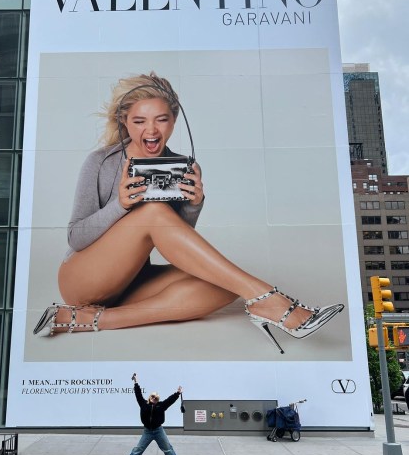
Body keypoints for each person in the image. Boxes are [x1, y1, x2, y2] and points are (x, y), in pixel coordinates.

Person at [33, 71, 344, 354]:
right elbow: (75, 236)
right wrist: (121, 205)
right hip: (82, 278)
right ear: (124, 121)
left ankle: (92, 320)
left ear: (174, 120)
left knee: (225, 286)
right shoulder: (101, 162)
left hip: (133, 283)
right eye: (140, 121)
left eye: (162, 119)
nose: (152, 130)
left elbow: (175, 245)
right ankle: (271, 301)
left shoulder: (181, 165)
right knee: (153, 211)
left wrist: (194, 203)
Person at [119, 374, 182, 455]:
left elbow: (170, 400)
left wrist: (177, 393)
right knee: (138, 448)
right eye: (153, 396)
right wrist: (136, 382)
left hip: (158, 430)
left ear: (158, 400)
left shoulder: (161, 406)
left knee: (167, 448)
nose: (154, 398)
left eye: (156, 398)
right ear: (149, 397)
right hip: (147, 431)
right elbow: (138, 394)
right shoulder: (143, 404)